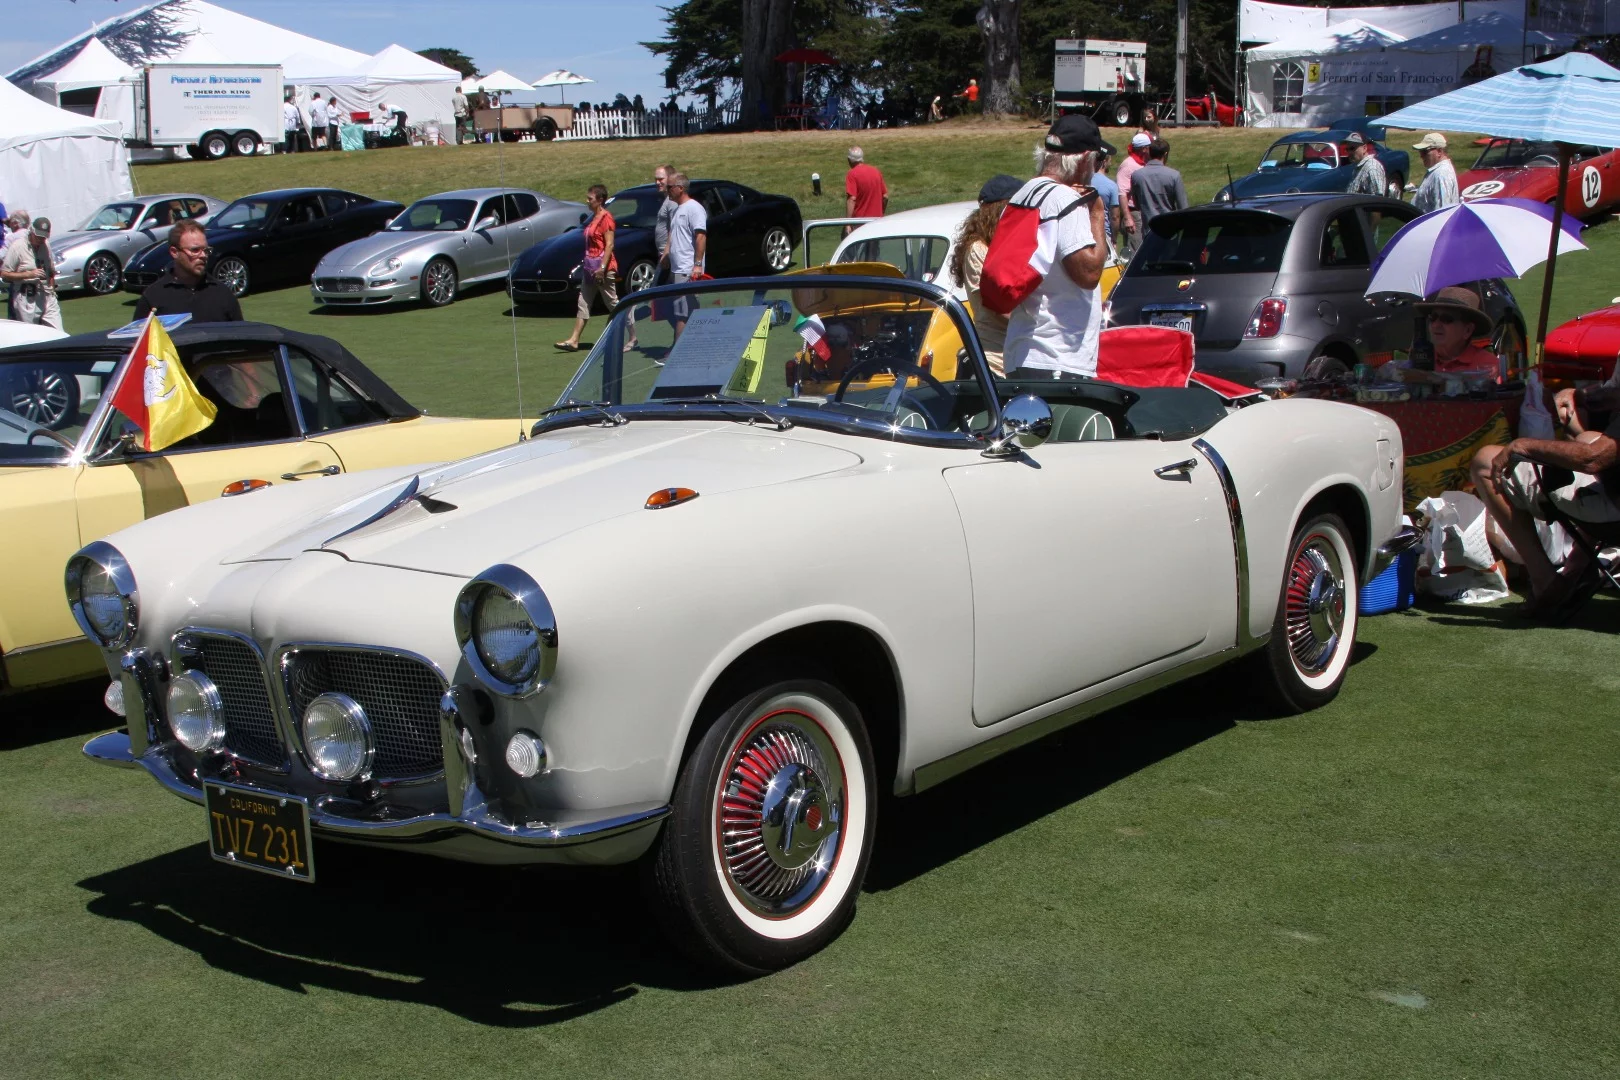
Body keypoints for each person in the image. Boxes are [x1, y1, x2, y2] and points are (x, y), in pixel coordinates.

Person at [1471, 380, 1620, 617]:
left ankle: (1545, 581)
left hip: (1613, 514)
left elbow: (1593, 459)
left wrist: (1524, 445)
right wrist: (1580, 397)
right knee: (1586, 437)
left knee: (1486, 462)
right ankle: (1578, 567)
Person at [994, 114, 1110, 379]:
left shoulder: (1023, 194)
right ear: (1083, 160)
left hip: (1022, 352)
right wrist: (1096, 214)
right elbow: (1088, 273)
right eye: (1097, 162)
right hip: (1059, 358)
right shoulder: (1064, 199)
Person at [951, 173, 1020, 375]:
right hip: (992, 362)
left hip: (1015, 357)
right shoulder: (978, 250)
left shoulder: (1008, 247)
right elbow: (998, 305)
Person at [556, 185, 634, 351]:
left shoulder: (606, 218)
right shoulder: (594, 217)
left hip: (603, 268)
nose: (587, 201)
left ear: (600, 200)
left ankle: (633, 336)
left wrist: (602, 267)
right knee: (583, 302)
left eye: (590, 198)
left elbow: (610, 244)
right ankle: (574, 340)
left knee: (613, 303)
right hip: (590, 268)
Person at [133, 219, 244, 322]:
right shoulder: (153, 296)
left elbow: (239, 336)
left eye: (206, 250)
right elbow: (139, 339)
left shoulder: (223, 294)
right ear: (174, 252)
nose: (203, 255)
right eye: (195, 250)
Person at [665, 172, 707, 337]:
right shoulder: (678, 209)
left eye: (669, 187)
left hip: (687, 270)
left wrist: (697, 265)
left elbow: (701, 236)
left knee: (682, 314)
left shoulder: (694, 208)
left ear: (680, 188)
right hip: (678, 269)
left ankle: (677, 354)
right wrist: (667, 254)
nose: (666, 190)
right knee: (687, 312)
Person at [1, 217, 62, 329]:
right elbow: (4, 274)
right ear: (31, 231)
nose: (40, 239)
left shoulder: (46, 244)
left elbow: (50, 270)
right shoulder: (18, 246)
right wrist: (28, 274)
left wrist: (52, 288)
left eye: (43, 237)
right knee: (31, 336)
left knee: (59, 333)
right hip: (26, 297)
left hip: (47, 295)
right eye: (38, 236)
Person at [1131, 138, 1188, 228]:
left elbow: (1137, 205)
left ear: (1149, 152)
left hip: (1148, 229)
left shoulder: (1137, 175)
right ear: (1165, 154)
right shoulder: (1174, 175)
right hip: (1169, 229)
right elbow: (1183, 207)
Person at [1115, 132, 1150, 258]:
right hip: (1133, 214)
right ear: (1144, 149)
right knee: (1135, 253)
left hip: (1144, 212)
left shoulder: (1143, 163)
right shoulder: (1128, 165)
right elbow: (1122, 193)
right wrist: (1128, 217)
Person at [1411, 132, 1459, 214]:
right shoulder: (1438, 171)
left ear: (1439, 151)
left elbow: (1442, 211)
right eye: (1420, 152)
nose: (1421, 155)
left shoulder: (1442, 174)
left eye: (1425, 152)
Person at [1089, 144, 1121, 253]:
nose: (1110, 163)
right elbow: (1115, 217)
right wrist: (1115, 239)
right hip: (1103, 234)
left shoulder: (1082, 181)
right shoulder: (1111, 186)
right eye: (1109, 161)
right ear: (1104, 162)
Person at [844, 146, 887, 229]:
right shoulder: (876, 171)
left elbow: (852, 199)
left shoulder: (852, 174)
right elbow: (885, 196)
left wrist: (848, 223)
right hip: (877, 221)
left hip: (860, 222)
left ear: (849, 160)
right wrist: (881, 213)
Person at [653, 163, 678, 284]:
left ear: (670, 178)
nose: (657, 182)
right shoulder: (667, 200)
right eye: (656, 179)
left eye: (660, 179)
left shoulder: (672, 201)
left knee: (658, 292)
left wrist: (667, 252)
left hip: (668, 256)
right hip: (664, 254)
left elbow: (674, 228)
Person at [1345, 132, 1386, 197]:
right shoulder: (1359, 166)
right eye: (1347, 149)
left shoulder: (1372, 168)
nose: (1349, 152)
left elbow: (1378, 199)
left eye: (1352, 148)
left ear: (1364, 148)